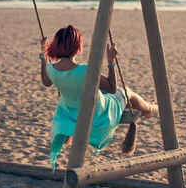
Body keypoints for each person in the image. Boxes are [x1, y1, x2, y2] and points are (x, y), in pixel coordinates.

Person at [40, 24, 157, 170]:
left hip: (73, 113)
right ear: (77, 47)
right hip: (99, 115)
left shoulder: (51, 69)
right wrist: (111, 61)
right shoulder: (85, 70)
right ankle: (148, 109)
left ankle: (146, 106)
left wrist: (43, 54)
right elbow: (111, 87)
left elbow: (45, 81)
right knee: (126, 91)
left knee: (106, 93)